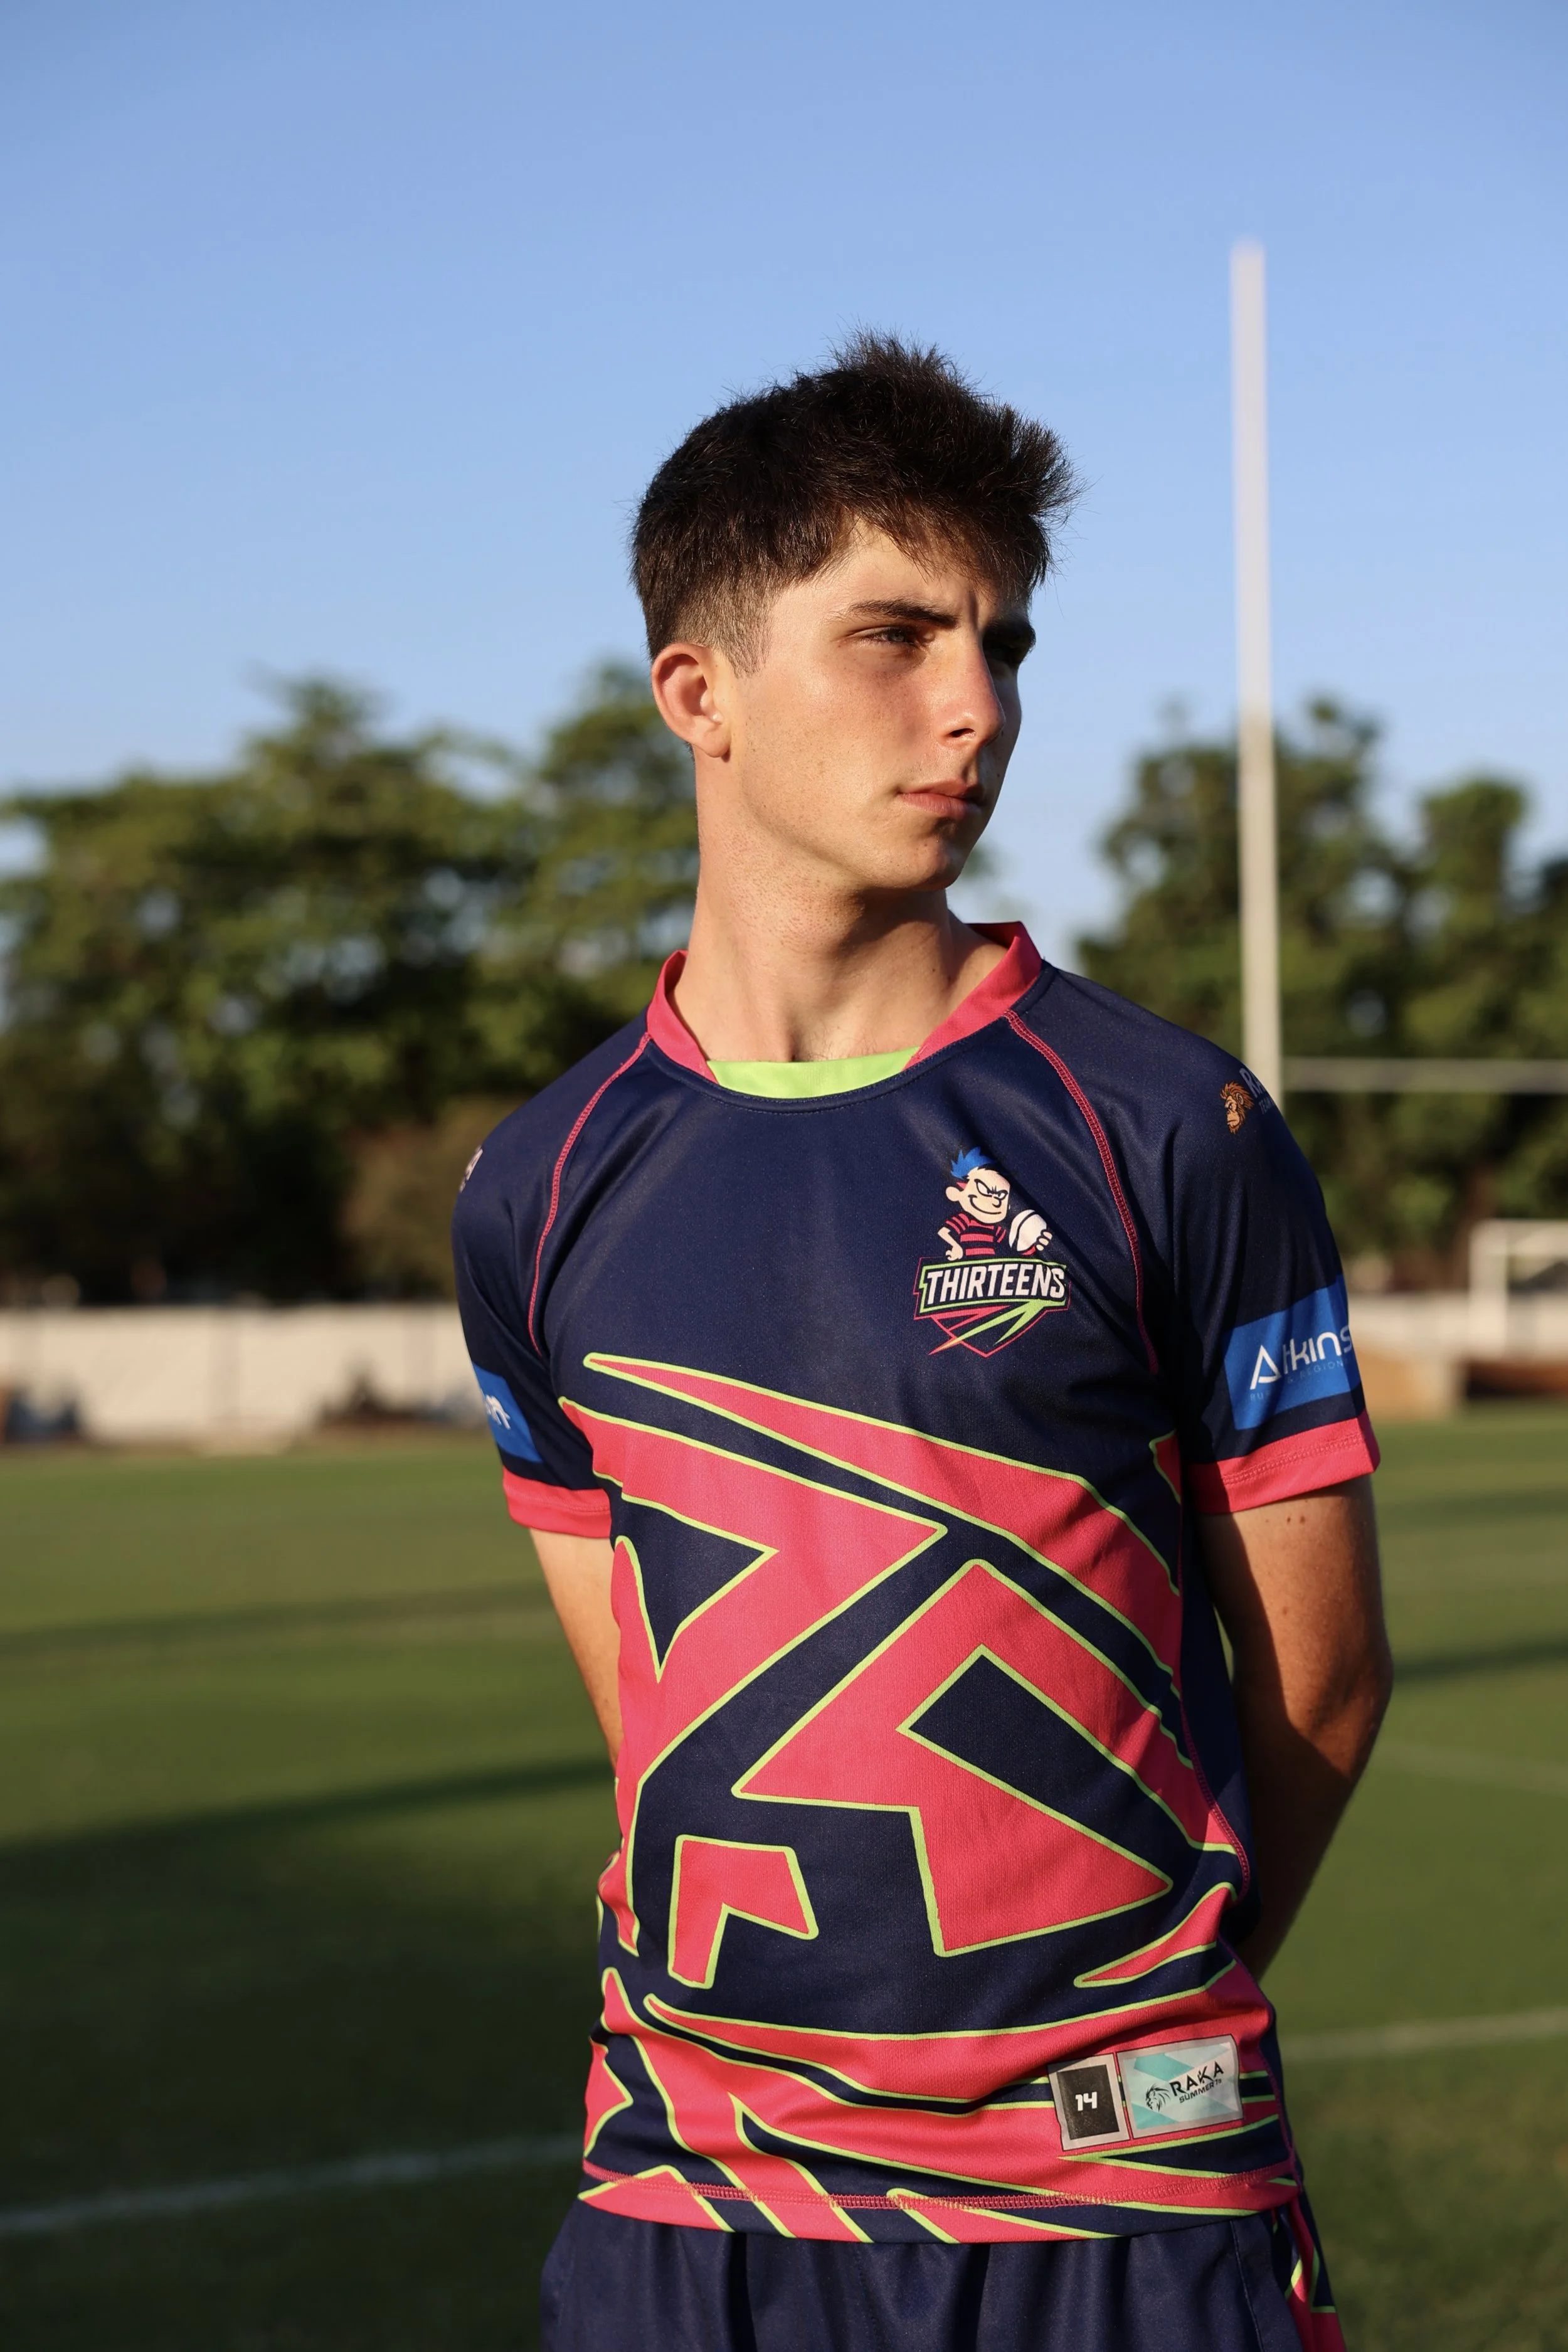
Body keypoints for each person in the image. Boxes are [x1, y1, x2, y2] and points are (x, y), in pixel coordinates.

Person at [453, 336, 1391, 2351]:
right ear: (695, 692)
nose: (974, 705)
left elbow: (1318, 1674)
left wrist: (1128, 2019)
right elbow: (657, 1714)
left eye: (1001, 643)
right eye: (892, 634)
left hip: (1127, 2195)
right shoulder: (534, 1188)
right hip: (694, 2190)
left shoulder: (1165, 1126)